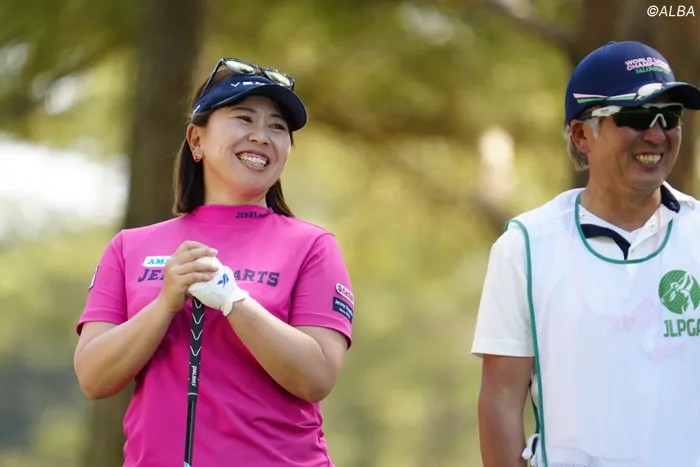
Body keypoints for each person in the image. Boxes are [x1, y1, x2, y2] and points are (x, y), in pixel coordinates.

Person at [73, 58, 356, 467]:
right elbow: (94, 378)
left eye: (278, 127)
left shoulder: (312, 246)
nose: (261, 136)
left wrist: (234, 301)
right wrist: (164, 304)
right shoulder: (129, 247)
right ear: (196, 139)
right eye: (244, 118)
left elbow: (317, 378)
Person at [471, 41, 700, 466]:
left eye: (670, 117)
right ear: (581, 135)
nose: (657, 134)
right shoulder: (524, 247)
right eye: (635, 116)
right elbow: (501, 398)